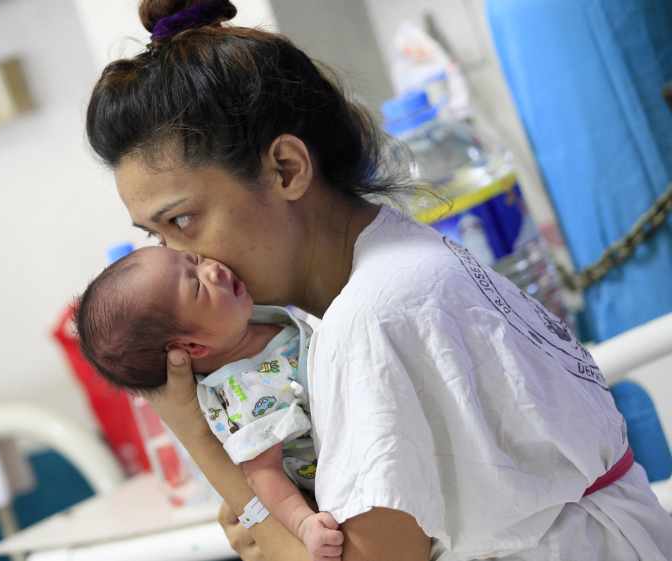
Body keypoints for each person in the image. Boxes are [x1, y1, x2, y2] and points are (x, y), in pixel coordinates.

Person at [84, 1, 672, 560]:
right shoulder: (399, 256)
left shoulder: (370, 319)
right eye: (158, 235)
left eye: (183, 220)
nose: (181, 257)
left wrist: (213, 457)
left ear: (286, 169)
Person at [74, 246, 342, 561]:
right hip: (332, 487)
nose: (213, 269)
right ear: (192, 346)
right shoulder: (244, 393)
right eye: (198, 286)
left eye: (195, 260)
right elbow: (262, 473)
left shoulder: (248, 320)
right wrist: (305, 524)